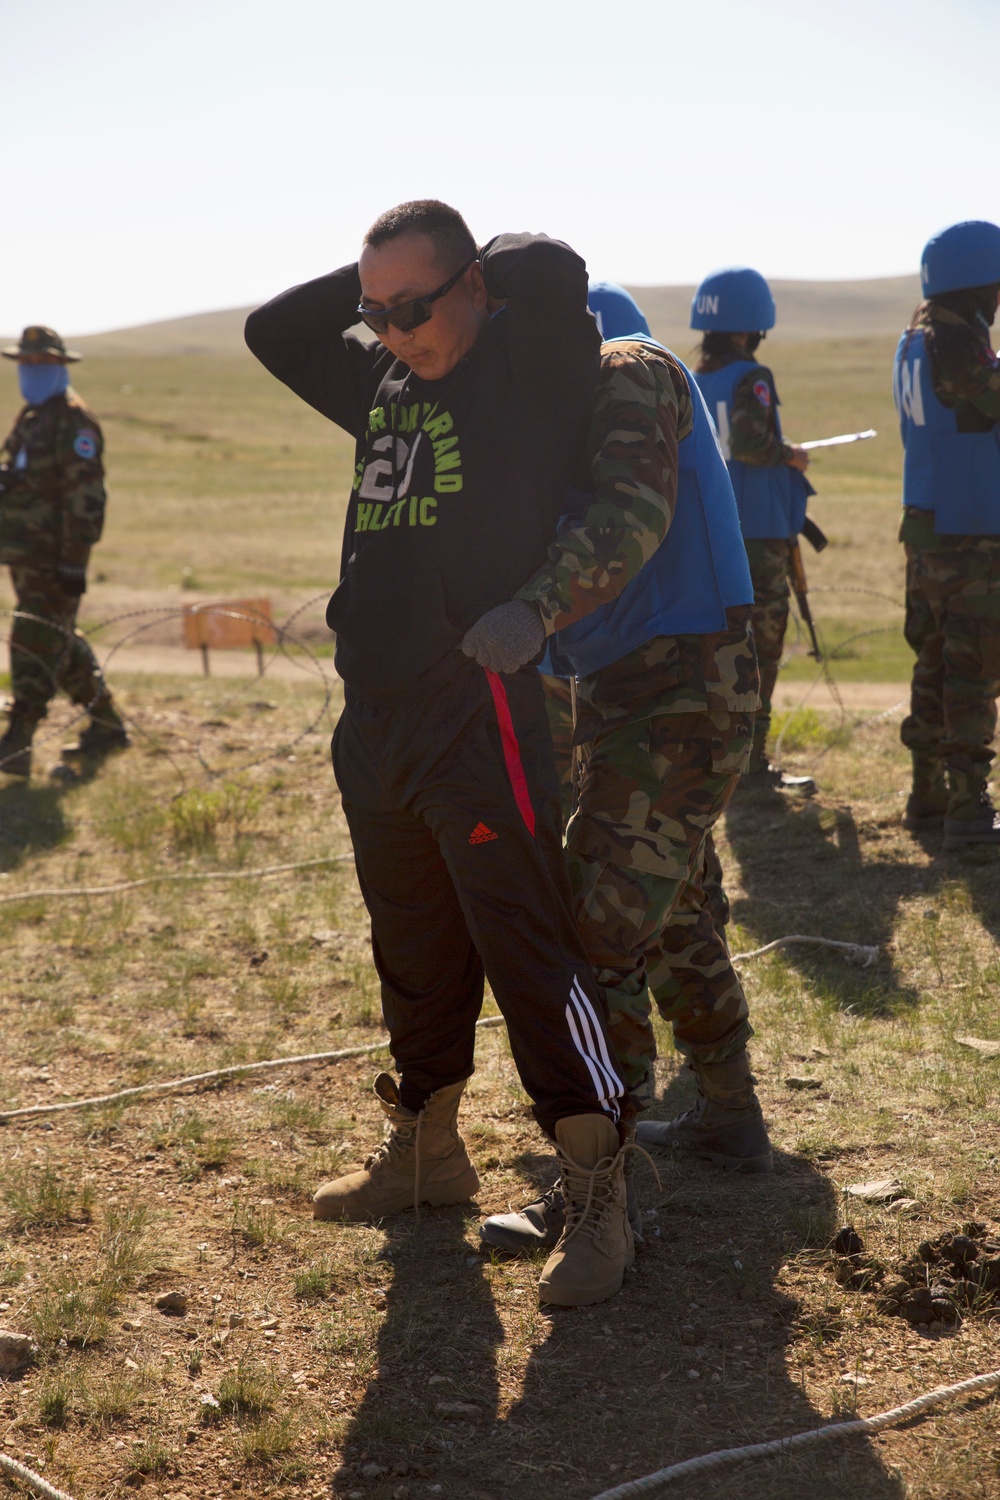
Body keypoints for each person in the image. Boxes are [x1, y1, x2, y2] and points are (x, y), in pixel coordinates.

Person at [245, 200, 632, 1309]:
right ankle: (427, 1149)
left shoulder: (525, 375)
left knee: (524, 940)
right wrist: (382, 292)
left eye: (411, 309)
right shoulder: (383, 380)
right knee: (410, 937)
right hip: (375, 714)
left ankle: (598, 1185)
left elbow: (554, 268)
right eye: (374, 314)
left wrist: (469, 264)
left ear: (474, 287)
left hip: (477, 704)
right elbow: (273, 331)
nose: (391, 332)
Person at [479, 283, 771, 1258]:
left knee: (599, 920)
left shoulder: (630, 370)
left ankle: (603, 1181)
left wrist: (531, 610)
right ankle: (728, 1114)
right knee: (673, 907)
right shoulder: (581, 408)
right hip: (639, 691)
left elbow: (628, 520)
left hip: (681, 689)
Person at [893, 220, 1000, 850]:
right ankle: (968, 808)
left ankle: (927, 794)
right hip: (970, 532)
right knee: (972, 670)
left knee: (933, 661)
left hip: (927, 524)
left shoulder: (912, 341)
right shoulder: (959, 346)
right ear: (978, 286)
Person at [690, 268, 817, 794]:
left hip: (712, 532)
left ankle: (718, 760)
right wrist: (791, 454)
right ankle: (752, 766)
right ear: (752, 325)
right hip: (759, 536)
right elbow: (749, 443)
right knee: (760, 651)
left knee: (716, 650)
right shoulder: (752, 377)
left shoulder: (694, 377)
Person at [0, 326, 128, 777]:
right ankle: (107, 726)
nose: (32, 370)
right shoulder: (33, 416)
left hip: (55, 557)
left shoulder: (74, 421)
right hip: (26, 553)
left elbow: (86, 498)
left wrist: (75, 559)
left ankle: (18, 739)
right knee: (58, 637)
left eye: (43, 363)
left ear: (60, 365)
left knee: (35, 639)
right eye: (27, 362)